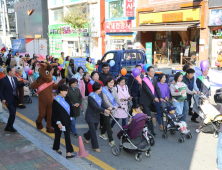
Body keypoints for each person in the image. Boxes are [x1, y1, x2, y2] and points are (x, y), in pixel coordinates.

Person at [83, 82, 111, 152]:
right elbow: (95, 107)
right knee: (93, 131)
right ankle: (95, 146)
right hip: (90, 115)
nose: (101, 90)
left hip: (96, 115)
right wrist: (104, 110)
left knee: (93, 129)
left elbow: (102, 104)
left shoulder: (100, 94)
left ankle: (86, 136)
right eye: (100, 88)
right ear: (96, 88)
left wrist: (108, 108)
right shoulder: (90, 96)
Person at [0, 66, 28, 132]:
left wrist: (24, 83)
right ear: (9, 72)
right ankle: (11, 127)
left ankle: (8, 127)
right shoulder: (3, 80)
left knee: (13, 113)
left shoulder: (15, 78)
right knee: (12, 113)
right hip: (7, 99)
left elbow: (18, 86)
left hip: (15, 99)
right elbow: (0, 91)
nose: (15, 72)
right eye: (13, 71)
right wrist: (3, 99)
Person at [51, 84, 75, 159]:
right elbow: (55, 113)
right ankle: (57, 148)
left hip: (67, 121)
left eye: (67, 91)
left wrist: (71, 117)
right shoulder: (56, 100)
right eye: (65, 91)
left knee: (67, 137)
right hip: (59, 122)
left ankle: (68, 153)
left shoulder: (67, 98)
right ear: (60, 91)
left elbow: (70, 108)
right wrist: (58, 122)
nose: (66, 93)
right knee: (58, 136)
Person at [139, 66, 164, 135]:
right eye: (152, 71)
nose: (153, 72)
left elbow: (157, 89)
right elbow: (147, 91)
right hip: (145, 101)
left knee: (147, 117)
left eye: (154, 71)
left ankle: (144, 129)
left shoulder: (154, 79)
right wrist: (154, 97)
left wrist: (160, 97)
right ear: (148, 72)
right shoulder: (144, 80)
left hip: (151, 102)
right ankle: (151, 132)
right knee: (149, 116)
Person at [100, 77, 121, 146]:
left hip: (112, 108)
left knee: (107, 122)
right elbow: (105, 101)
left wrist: (120, 104)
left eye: (112, 82)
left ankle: (102, 133)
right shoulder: (104, 89)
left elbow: (117, 98)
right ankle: (111, 140)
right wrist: (112, 107)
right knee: (108, 124)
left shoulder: (114, 89)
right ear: (107, 83)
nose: (111, 83)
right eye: (110, 82)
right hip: (105, 109)